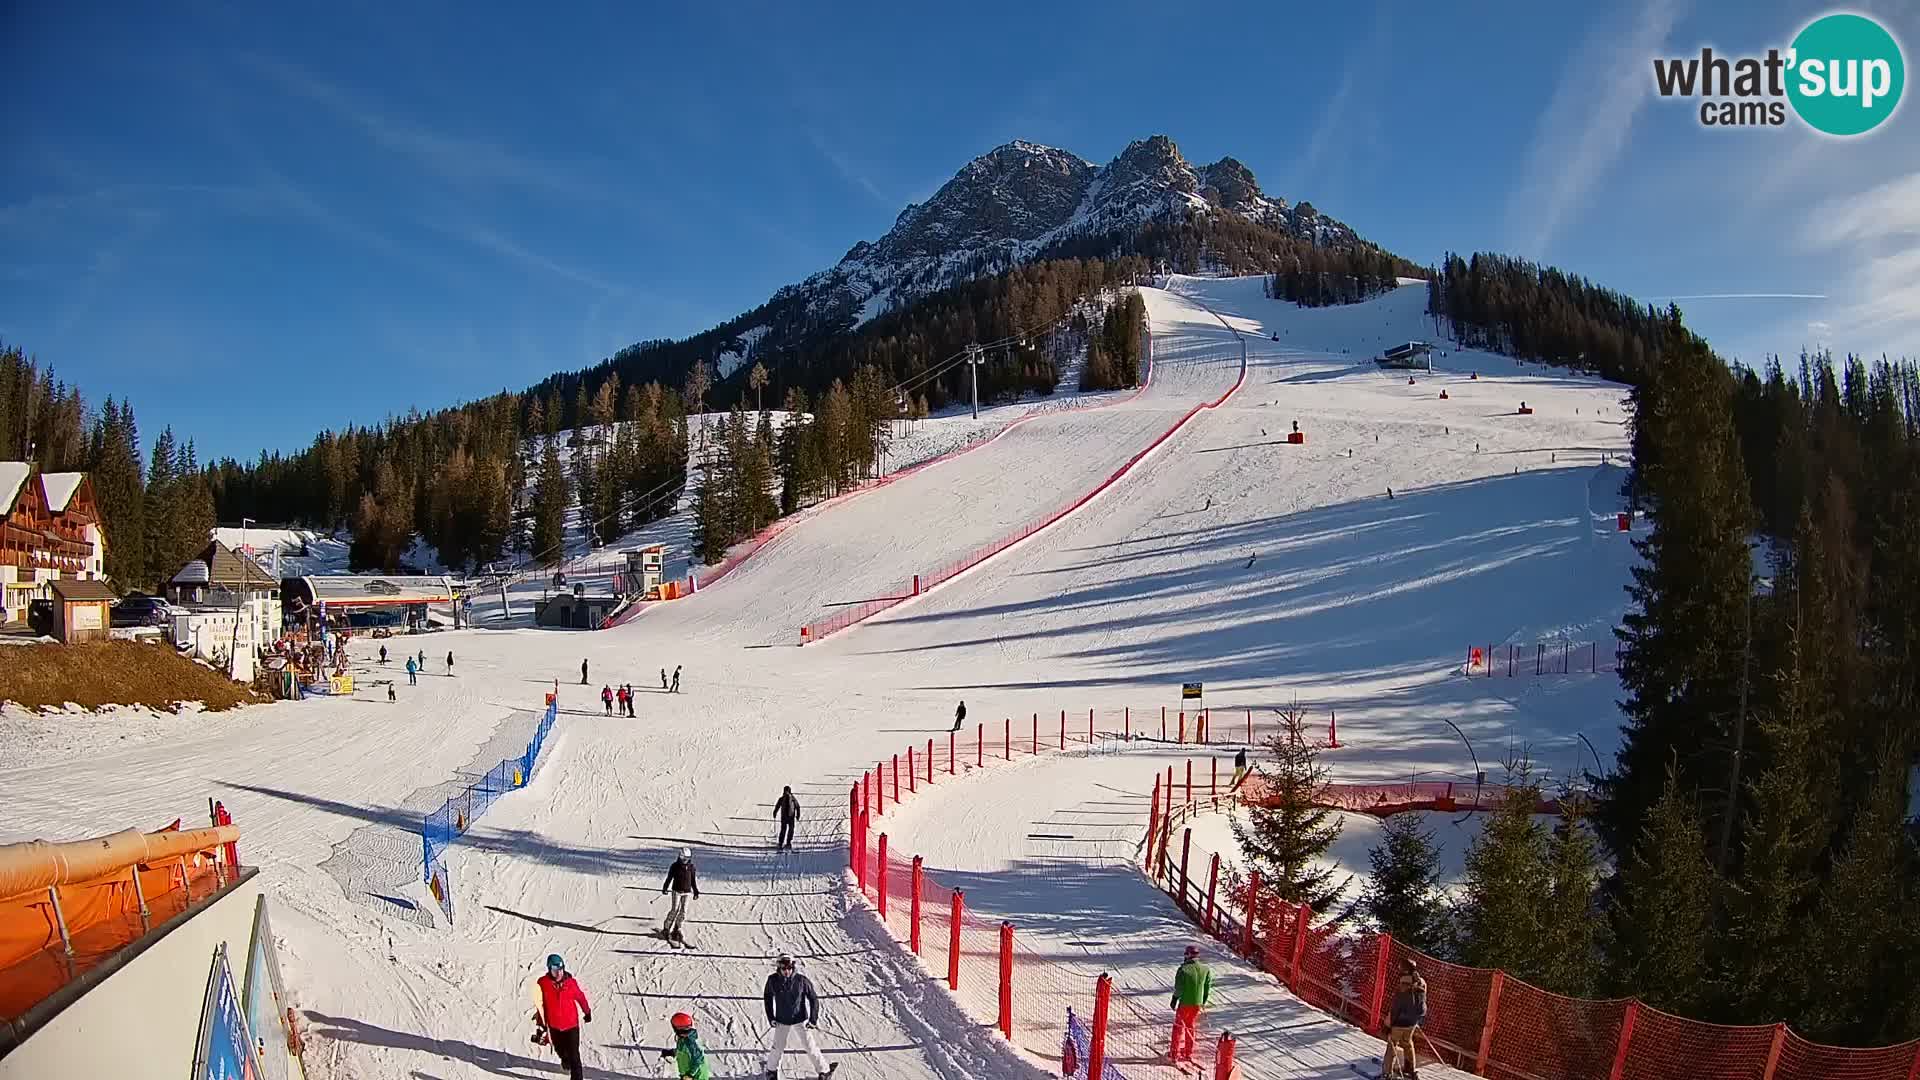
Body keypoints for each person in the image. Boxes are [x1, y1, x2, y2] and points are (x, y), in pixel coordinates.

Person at [762, 953, 834, 1078]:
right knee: (777, 1047)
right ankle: (771, 1071)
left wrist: (813, 1019)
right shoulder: (772, 980)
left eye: (789, 968)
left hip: (800, 1019)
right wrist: (771, 1017)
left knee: (809, 1046)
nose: (787, 971)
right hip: (782, 1019)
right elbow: (767, 997)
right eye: (784, 968)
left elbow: (813, 998)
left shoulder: (801, 980)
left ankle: (824, 1071)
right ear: (779, 967)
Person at [534, 954, 591, 1080]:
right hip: (554, 1026)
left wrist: (587, 1012)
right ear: (549, 970)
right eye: (555, 970)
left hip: (571, 1026)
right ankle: (565, 1060)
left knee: (574, 1056)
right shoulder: (543, 983)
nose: (559, 973)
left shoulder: (571, 983)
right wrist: (540, 1022)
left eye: (561, 969)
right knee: (560, 1050)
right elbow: (540, 1003)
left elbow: (580, 997)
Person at [1169, 945, 1213, 1068]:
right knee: (1190, 1026)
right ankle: (1188, 1052)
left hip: (1185, 1003)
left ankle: (1174, 1053)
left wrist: (1174, 999)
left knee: (1178, 1027)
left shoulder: (1183, 970)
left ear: (1188, 955)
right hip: (1197, 1003)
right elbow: (1207, 987)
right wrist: (1202, 1001)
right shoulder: (1205, 969)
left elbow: (1179, 988)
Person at [1384, 960, 1428, 1079]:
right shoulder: (1421, 982)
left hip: (1400, 1021)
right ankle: (1411, 1069)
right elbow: (1423, 1002)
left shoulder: (1403, 985)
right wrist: (1418, 1019)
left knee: (1392, 1044)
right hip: (1413, 1021)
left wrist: (1388, 1025)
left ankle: (1387, 1073)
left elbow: (1396, 1007)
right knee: (1407, 1043)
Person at [659, 1011, 712, 1080]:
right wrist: (672, 1052)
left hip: (697, 1076)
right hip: (686, 1074)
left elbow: (699, 1059)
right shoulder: (682, 1038)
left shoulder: (691, 1042)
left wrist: (690, 1075)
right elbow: (683, 1051)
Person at [661, 847, 699, 941]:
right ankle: (666, 928)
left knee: (683, 912)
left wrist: (695, 891)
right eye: (683, 858)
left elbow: (693, 880)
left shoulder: (691, 867)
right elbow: (669, 878)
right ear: (680, 856)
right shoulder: (675, 866)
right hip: (676, 891)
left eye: (687, 858)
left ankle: (677, 928)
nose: (685, 860)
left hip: (687, 892)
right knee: (674, 910)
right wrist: (665, 887)